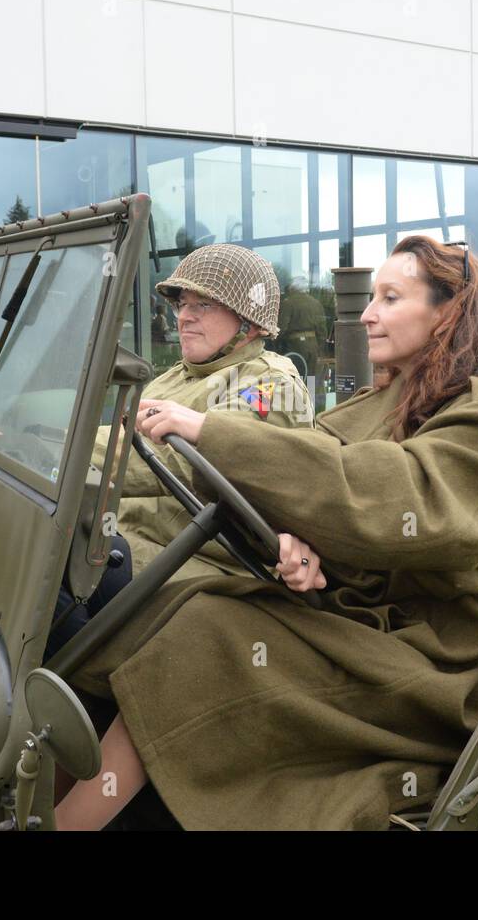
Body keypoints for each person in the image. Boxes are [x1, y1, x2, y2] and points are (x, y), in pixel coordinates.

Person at [54, 236, 478, 830]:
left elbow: (393, 498)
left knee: (200, 634)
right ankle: (63, 795)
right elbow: (321, 479)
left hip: (421, 654)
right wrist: (295, 538)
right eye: (372, 297)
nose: (367, 313)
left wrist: (209, 431)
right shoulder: (391, 398)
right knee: (170, 611)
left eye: (390, 297)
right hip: (352, 610)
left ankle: (68, 824)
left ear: (448, 312)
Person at [46, 244, 314, 657]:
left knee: (49, 563)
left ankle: (82, 690)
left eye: (203, 305)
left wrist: (53, 455)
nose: (184, 316)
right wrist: (40, 439)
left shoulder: (269, 386)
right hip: (132, 539)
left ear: (250, 324)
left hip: (207, 565)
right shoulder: (180, 376)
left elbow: (164, 460)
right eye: (182, 304)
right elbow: (120, 434)